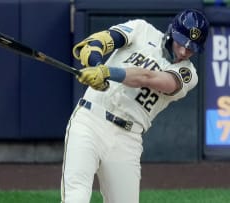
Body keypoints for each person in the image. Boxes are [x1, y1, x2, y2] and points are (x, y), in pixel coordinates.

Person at [60, 9, 209, 203]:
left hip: (127, 138)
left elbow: (148, 78)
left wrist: (106, 72)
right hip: (90, 121)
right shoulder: (141, 29)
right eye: (182, 42)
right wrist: (96, 62)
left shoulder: (188, 73)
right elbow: (99, 42)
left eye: (191, 48)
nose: (183, 51)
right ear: (172, 31)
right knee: (76, 197)